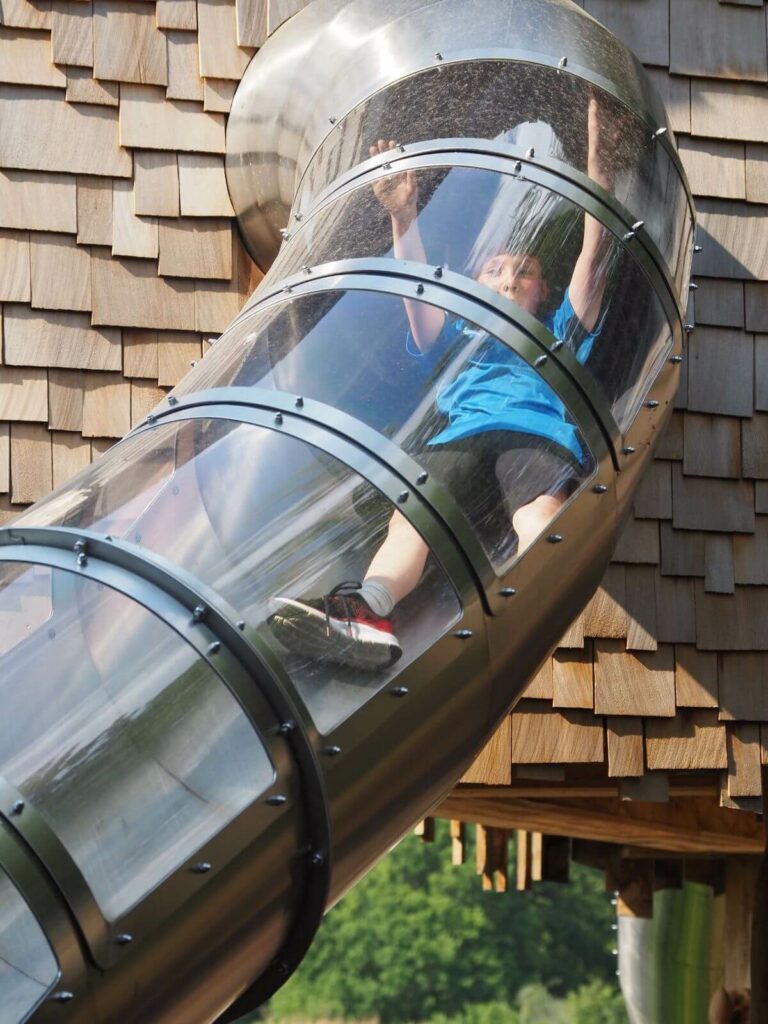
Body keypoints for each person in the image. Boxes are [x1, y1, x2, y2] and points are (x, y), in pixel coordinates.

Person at [269, 96, 616, 671]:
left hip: (534, 433)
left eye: (523, 272)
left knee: (535, 510)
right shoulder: (458, 329)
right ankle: (367, 609)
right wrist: (402, 217)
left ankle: (537, 591)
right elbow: (420, 306)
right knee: (414, 514)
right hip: (462, 435)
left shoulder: (562, 331)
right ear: (473, 286)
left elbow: (595, 247)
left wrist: (598, 154)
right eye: (494, 270)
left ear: (543, 292)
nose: (508, 280)